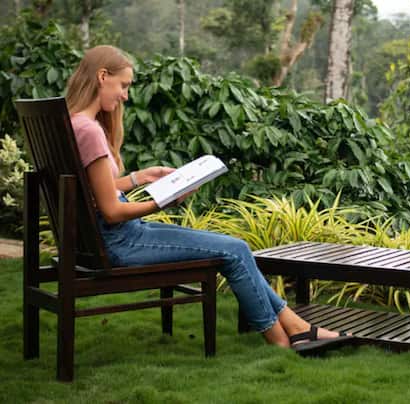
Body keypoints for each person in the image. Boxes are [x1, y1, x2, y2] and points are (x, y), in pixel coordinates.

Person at [65, 45, 353, 353]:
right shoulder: (90, 131)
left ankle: (296, 329)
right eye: (123, 85)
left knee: (235, 248)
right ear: (102, 76)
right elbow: (111, 211)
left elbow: (94, 189)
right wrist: (164, 201)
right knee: (235, 250)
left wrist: (141, 177)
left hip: (105, 239)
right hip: (120, 241)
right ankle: (282, 343)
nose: (125, 96)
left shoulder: (74, 123)